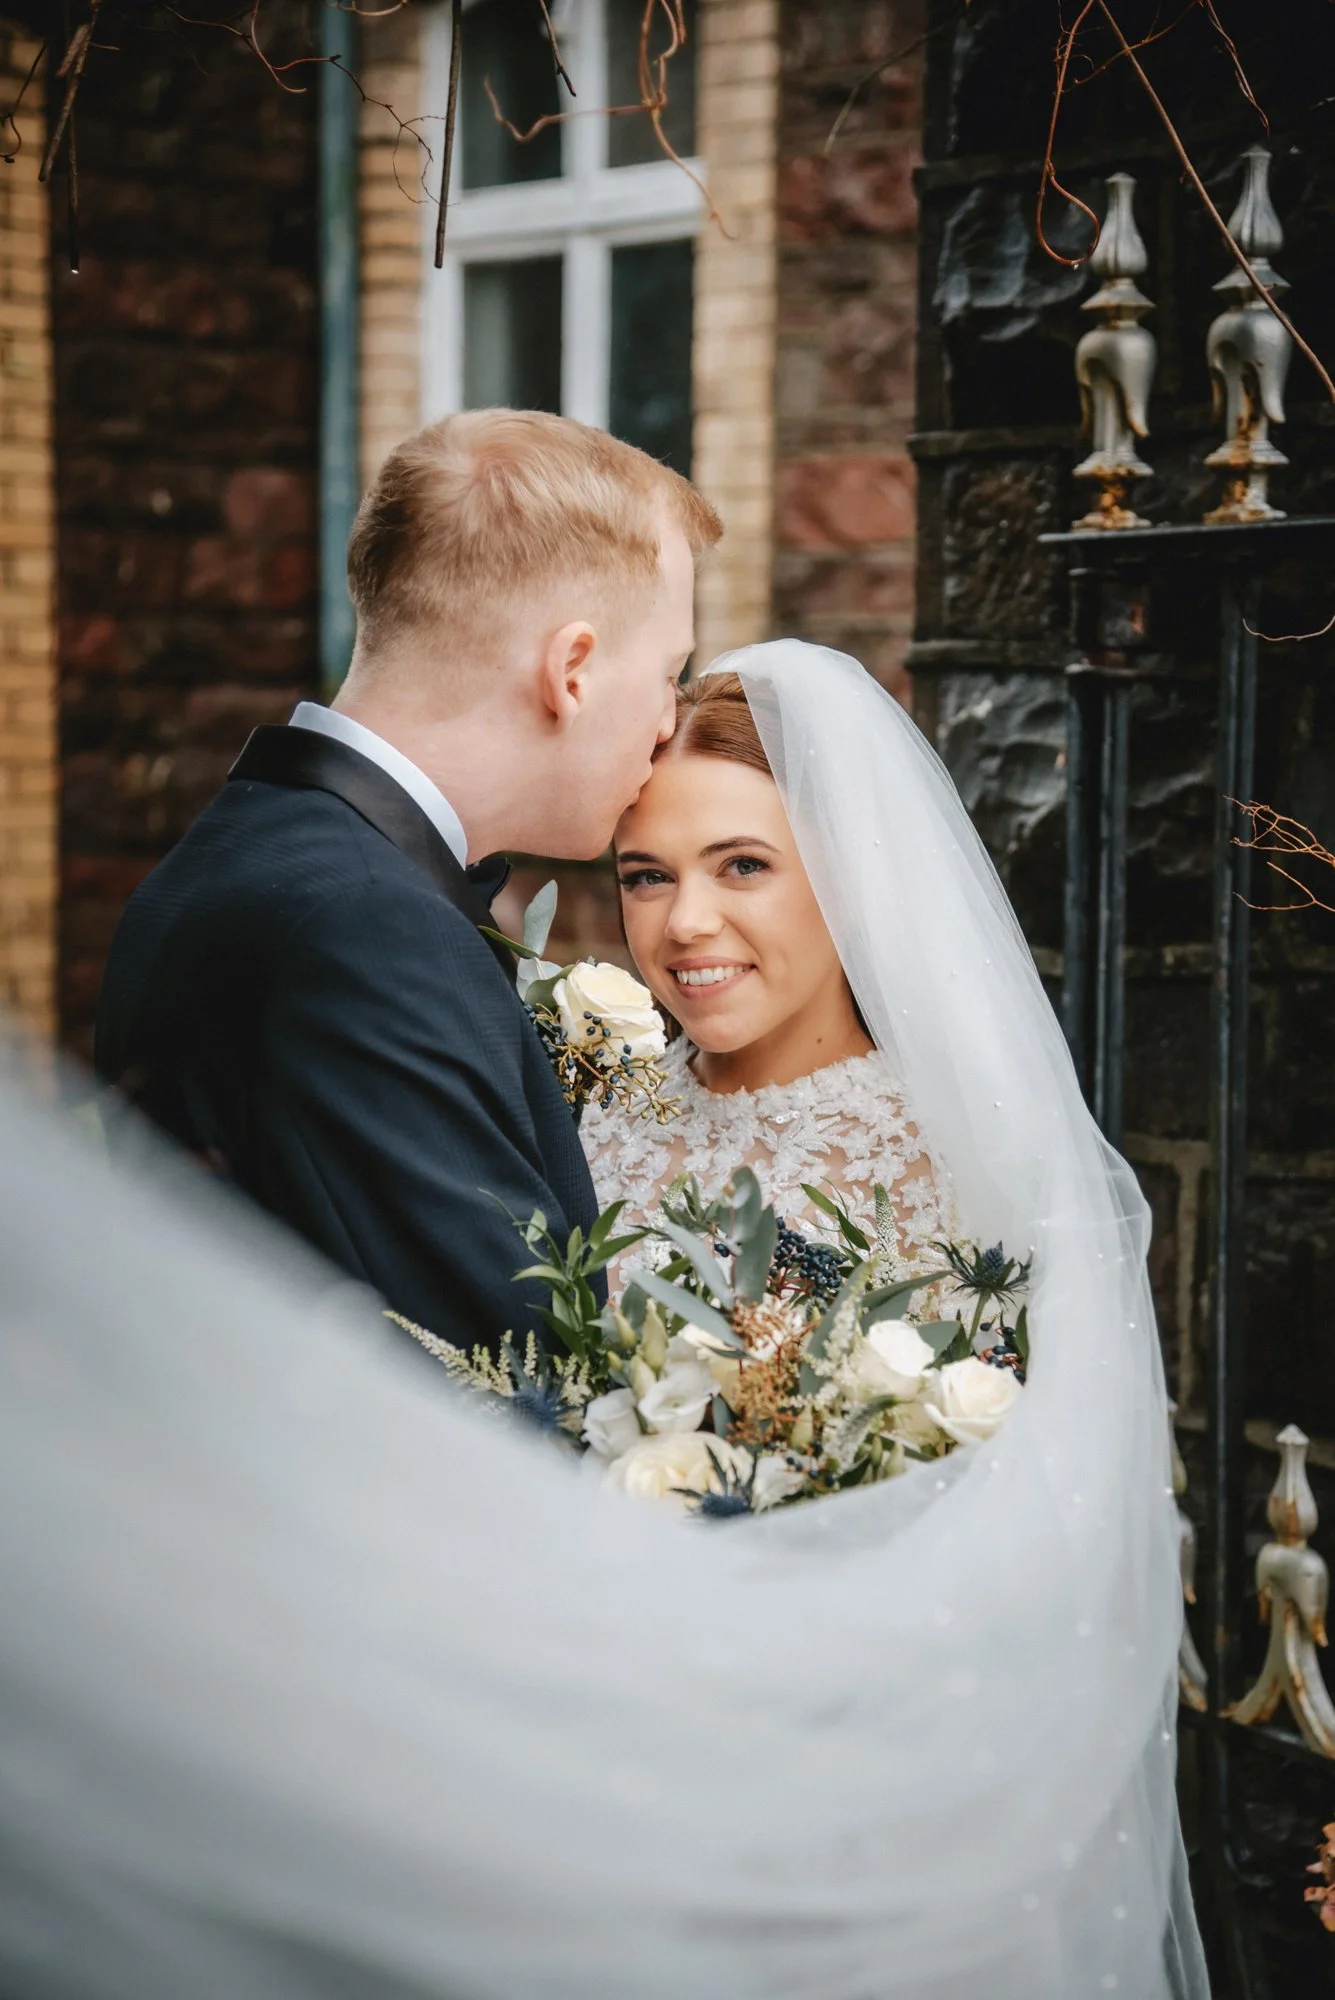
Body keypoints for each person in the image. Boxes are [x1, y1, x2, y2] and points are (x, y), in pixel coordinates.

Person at [94, 410, 720, 1354]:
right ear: (573, 669)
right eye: (669, 672)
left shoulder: (249, 849)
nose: (669, 722)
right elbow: (507, 1374)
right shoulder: (366, 929)